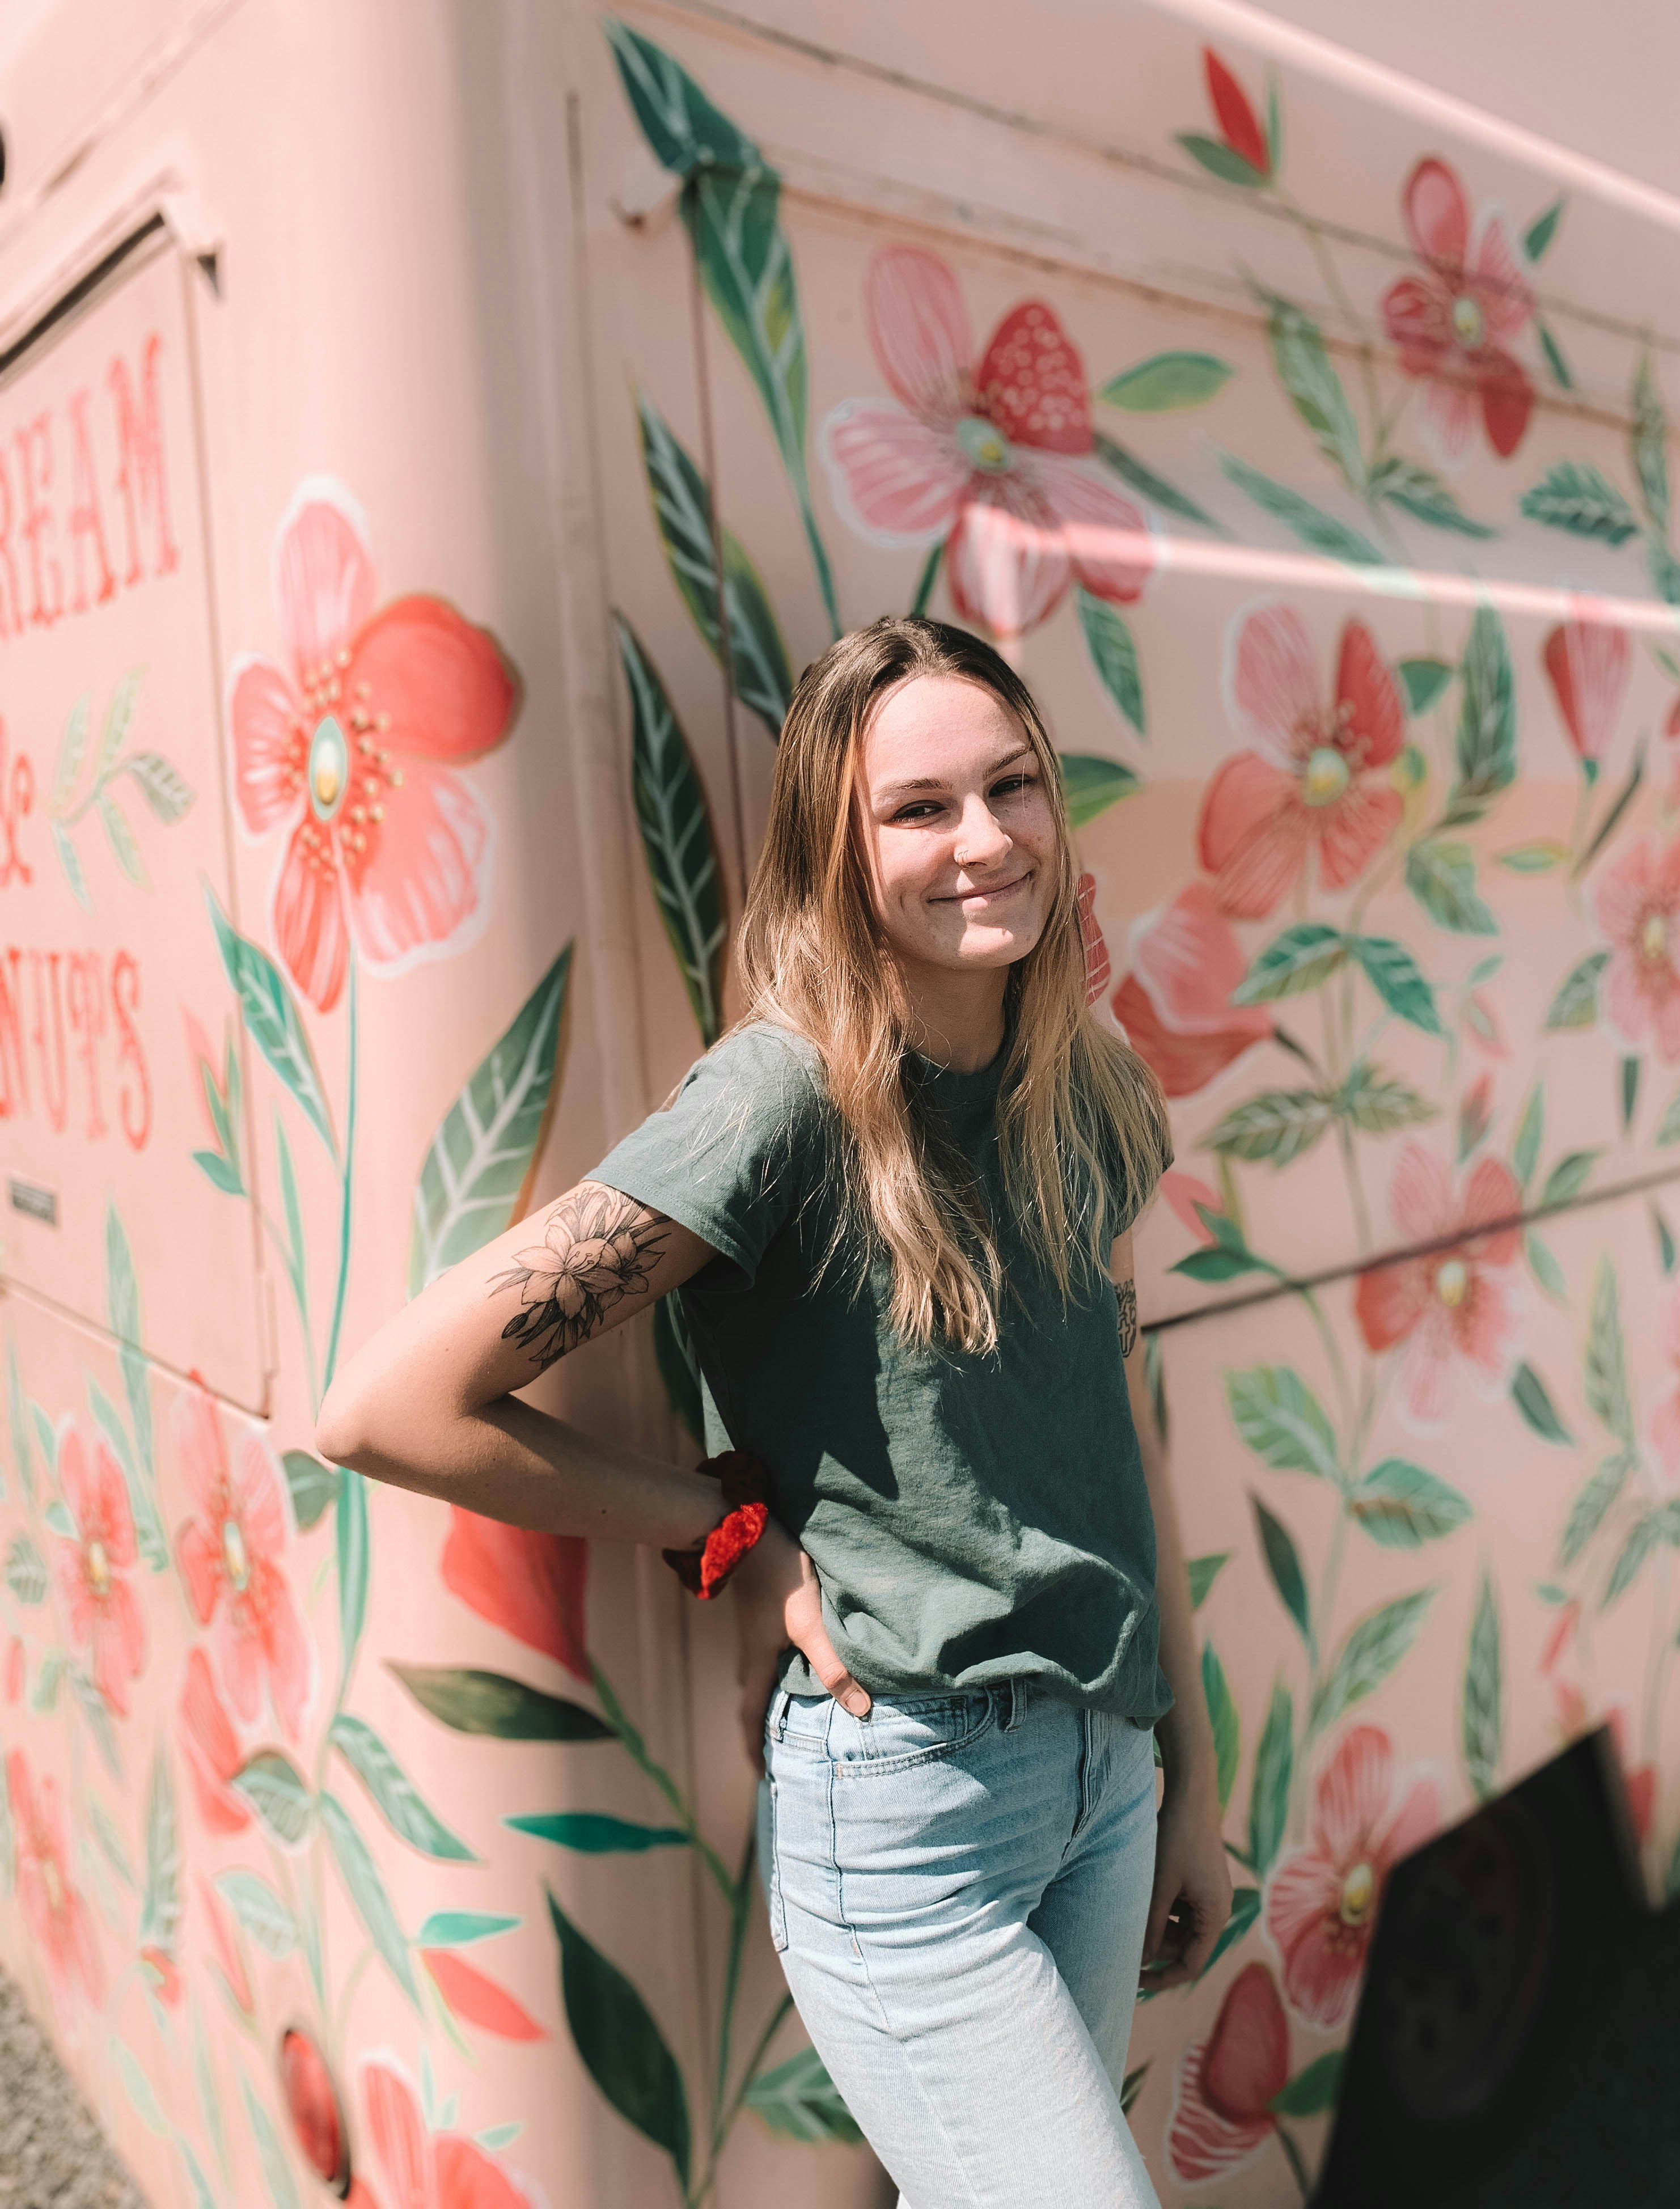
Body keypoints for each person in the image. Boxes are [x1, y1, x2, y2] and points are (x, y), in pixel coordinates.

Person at [318, 615, 1231, 2208]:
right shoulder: (778, 1102)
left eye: (1013, 787)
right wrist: (731, 1532)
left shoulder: (1087, 1082)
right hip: (913, 1821)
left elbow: (1122, 1440)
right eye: (920, 808)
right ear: (834, 847)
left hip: (1109, 1778)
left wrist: (1193, 1778)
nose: (986, 840)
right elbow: (389, 1408)